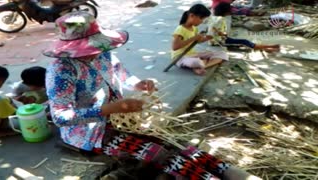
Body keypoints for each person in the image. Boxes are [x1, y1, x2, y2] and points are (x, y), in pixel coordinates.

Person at [45, 11, 260, 179]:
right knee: (158, 154)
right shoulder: (61, 72)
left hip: (123, 119)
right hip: (91, 133)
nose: (97, 52)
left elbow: (120, 73)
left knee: (176, 145)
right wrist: (112, 109)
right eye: (89, 48)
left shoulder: (102, 52)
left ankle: (229, 172)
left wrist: (138, 84)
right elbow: (61, 117)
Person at [172, 4, 228, 75]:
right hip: (180, 57)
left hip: (192, 54)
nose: (202, 22)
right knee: (196, 62)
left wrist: (208, 38)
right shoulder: (180, 29)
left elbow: (198, 41)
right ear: (192, 16)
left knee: (223, 54)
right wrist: (194, 38)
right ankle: (201, 64)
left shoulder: (194, 28)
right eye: (201, 19)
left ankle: (202, 66)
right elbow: (175, 47)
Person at [209, 2, 280, 53]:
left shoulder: (215, 17)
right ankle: (270, 47)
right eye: (230, 11)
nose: (231, 12)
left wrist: (221, 34)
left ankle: (269, 47)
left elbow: (212, 28)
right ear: (226, 11)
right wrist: (222, 34)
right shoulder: (220, 19)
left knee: (244, 42)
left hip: (217, 39)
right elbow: (214, 28)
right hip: (218, 41)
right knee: (244, 42)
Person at [0, 65, 17, 136]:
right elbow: (14, 113)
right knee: (3, 104)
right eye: (2, 82)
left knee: (7, 99)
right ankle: (0, 131)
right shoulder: (0, 101)